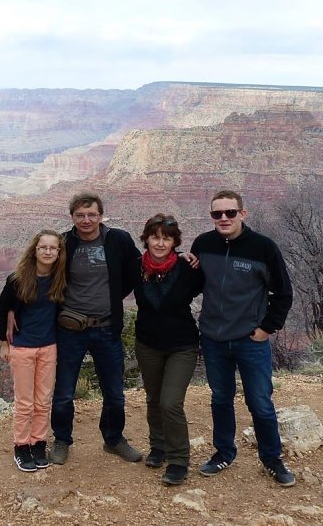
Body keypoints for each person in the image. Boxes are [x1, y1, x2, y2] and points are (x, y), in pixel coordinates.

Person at [190, 190, 295, 487]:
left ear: (242, 214)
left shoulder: (263, 247)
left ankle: (272, 459)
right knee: (220, 398)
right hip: (213, 337)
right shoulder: (203, 244)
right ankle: (224, 453)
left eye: (230, 213)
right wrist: (184, 266)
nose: (223, 218)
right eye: (217, 214)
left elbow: (283, 293)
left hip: (251, 339)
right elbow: (196, 286)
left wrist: (267, 329)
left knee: (260, 401)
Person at [47, 192, 144, 465]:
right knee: (64, 392)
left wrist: (181, 259)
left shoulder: (118, 240)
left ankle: (114, 439)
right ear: (72, 217)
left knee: (114, 392)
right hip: (70, 328)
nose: (86, 220)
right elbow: (41, 273)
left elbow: (138, 270)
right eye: (80, 215)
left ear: (101, 216)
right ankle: (62, 440)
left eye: (91, 215)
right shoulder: (64, 243)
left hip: (106, 328)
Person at [128, 213, 204, 486]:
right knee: (153, 398)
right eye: (155, 237)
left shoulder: (188, 268)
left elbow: (217, 288)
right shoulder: (135, 267)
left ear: (175, 242)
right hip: (148, 343)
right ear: (146, 239)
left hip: (182, 345)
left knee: (170, 402)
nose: (160, 243)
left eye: (166, 238)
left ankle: (178, 460)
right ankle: (158, 447)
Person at [0, 229, 67, 472]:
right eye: (43, 247)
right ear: (34, 250)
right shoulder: (18, 279)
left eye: (53, 248)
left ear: (59, 253)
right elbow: (1, 309)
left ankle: (38, 443)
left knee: (43, 400)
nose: (48, 251)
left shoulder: (60, 278)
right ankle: (21, 446)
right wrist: (4, 343)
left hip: (49, 347)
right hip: (23, 347)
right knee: (25, 402)